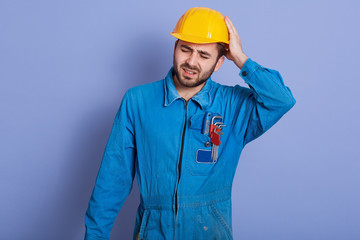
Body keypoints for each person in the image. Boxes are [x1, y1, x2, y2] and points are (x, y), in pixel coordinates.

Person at [84, 7, 296, 240]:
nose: (191, 62)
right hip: (153, 232)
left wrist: (241, 59)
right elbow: (113, 179)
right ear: (175, 48)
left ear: (218, 63)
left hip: (210, 233)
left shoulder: (234, 105)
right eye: (186, 49)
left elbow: (281, 100)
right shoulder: (137, 101)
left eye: (204, 55)